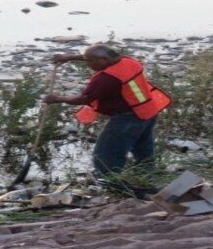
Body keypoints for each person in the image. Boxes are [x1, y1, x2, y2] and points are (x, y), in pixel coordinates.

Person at [43, 44, 171, 180]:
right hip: (148, 111)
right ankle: (147, 176)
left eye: (90, 61)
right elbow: (96, 56)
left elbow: (83, 99)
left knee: (106, 154)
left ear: (104, 59)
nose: (88, 64)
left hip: (127, 119)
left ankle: (110, 181)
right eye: (87, 60)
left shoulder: (107, 78)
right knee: (143, 149)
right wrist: (69, 57)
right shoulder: (128, 61)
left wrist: (57, 99)